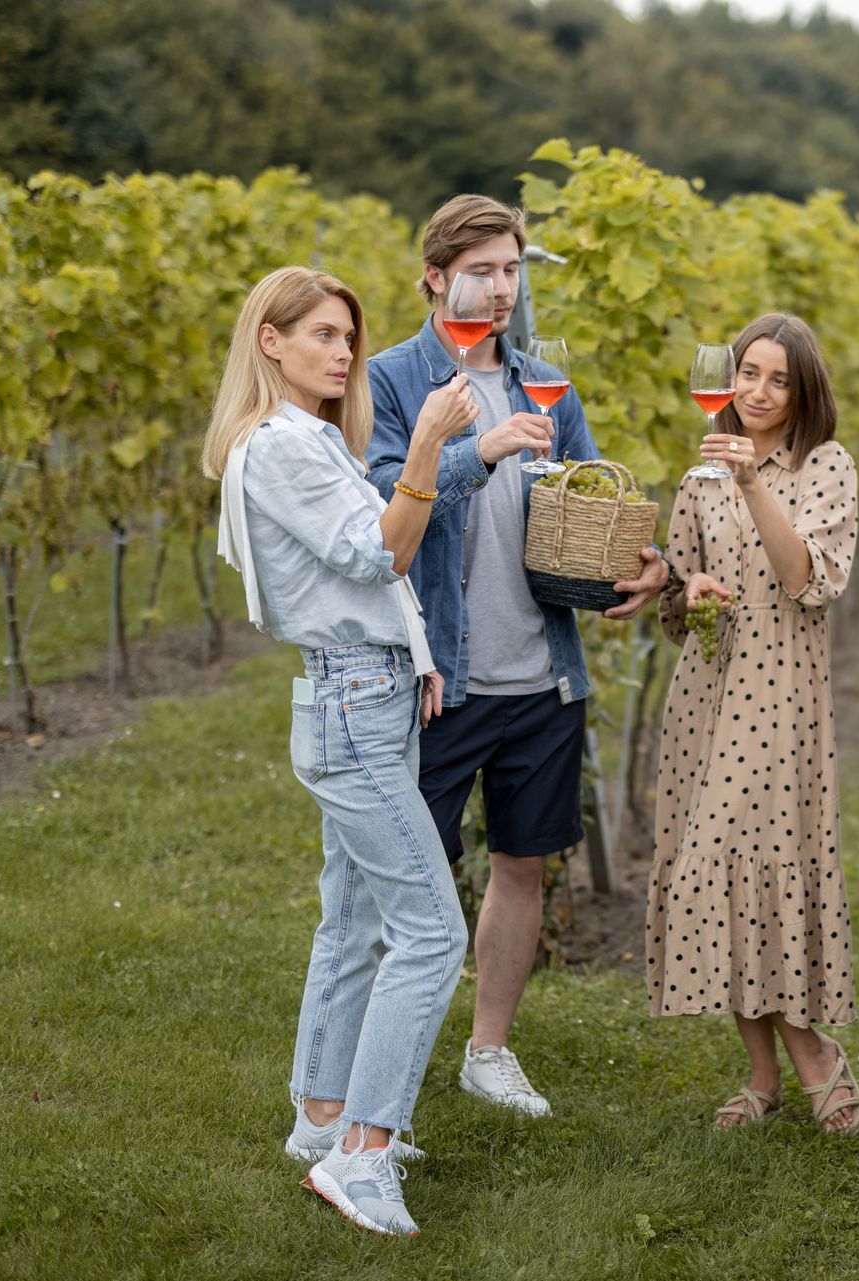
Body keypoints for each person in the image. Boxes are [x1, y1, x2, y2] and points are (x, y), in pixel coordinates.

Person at [365, 195, 668, 1119]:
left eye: (512, 269)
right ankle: (376, 1060)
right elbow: (380, 506)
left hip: (543, 677)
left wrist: (643, 564)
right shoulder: (390, 380)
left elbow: (591, 500)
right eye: (481, 271)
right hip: (439, 680)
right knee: (404, 875)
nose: (501, 289)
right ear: (434, 279)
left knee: (521, 866)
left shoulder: (547, 385)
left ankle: (487, 1050)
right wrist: (479, 451)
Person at [203, 266, 477, 1236]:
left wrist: (416, 652)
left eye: (348, 337)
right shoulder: (282, 446)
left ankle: (320, 1115)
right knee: (433, 933)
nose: (343, 351)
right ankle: (361, 1155)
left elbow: (361, 575)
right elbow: (380, 553)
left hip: (364, 687)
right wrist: (433, 444)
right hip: (354, 706)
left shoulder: (302, 439)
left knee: (354, 916)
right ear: (269, 342)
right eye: (321, 334)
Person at [645, 314, 859, 1134]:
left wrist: (750, 484)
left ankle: (814, 1055)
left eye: (779, 378)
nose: (759, 392)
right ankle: (766, 1075)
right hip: (706, 694)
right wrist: (687, 586)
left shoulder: (827, 467)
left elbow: (809, 579)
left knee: (756, 867)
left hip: (781, 702)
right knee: (714, 878)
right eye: (747, 373)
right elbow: (674, 595)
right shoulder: (699, 474)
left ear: (804, 389)